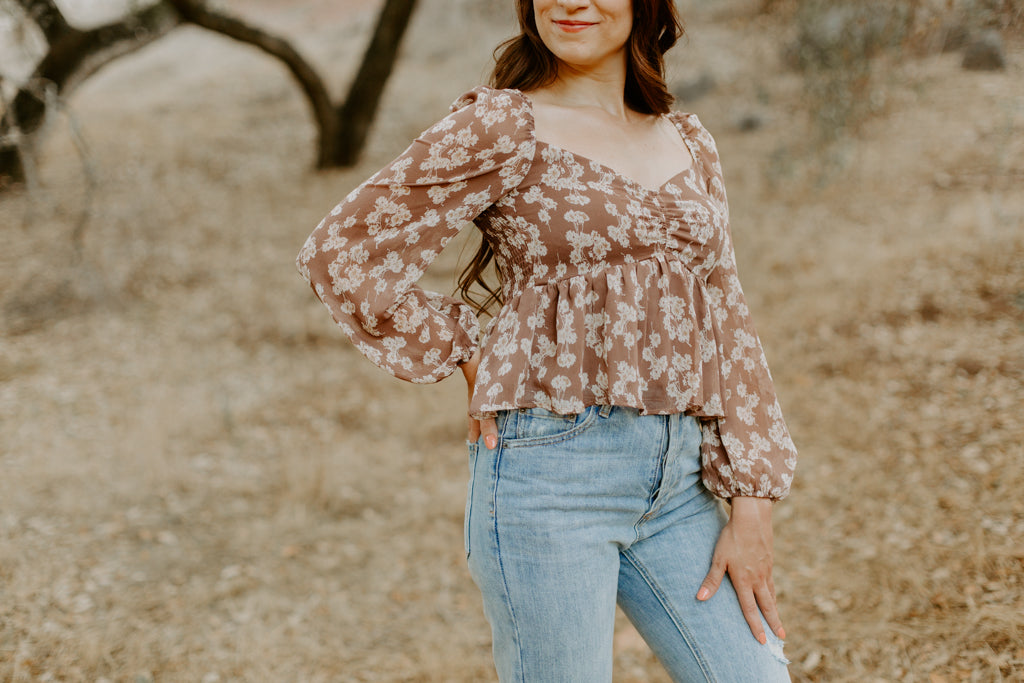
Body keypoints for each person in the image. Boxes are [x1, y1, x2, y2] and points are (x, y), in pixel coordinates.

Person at [296, 0, 798, 679]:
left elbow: (727, 315)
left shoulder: (689, 140)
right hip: (550, 478)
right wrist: (464, 350)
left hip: (680, 481)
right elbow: (344, 248)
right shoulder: (504, 124)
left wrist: (753, 501)